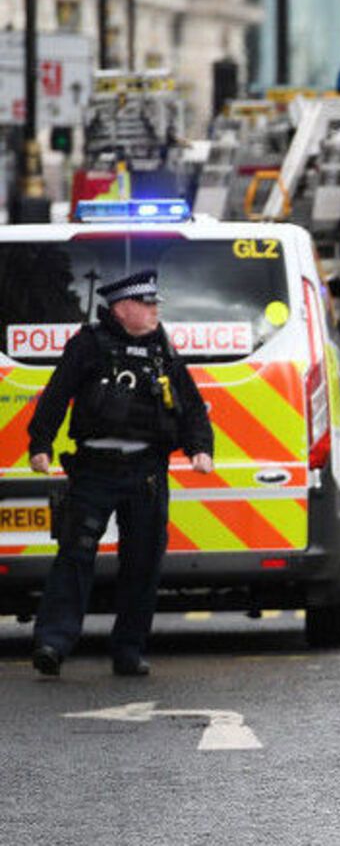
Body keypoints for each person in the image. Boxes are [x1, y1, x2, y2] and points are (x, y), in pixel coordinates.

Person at [29, 269, 214, 678]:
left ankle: (128, 650)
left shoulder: (162, 350)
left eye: (154, 305)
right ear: (122, 308)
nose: (155, 311)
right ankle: (53, 643)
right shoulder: (89, 346)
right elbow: (57, 394)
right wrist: (40, 444)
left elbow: (192, 406)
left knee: (143, 562)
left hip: (146, 472)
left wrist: (200, 448)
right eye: (147, 305)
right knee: (75, 554)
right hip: (95, 468)